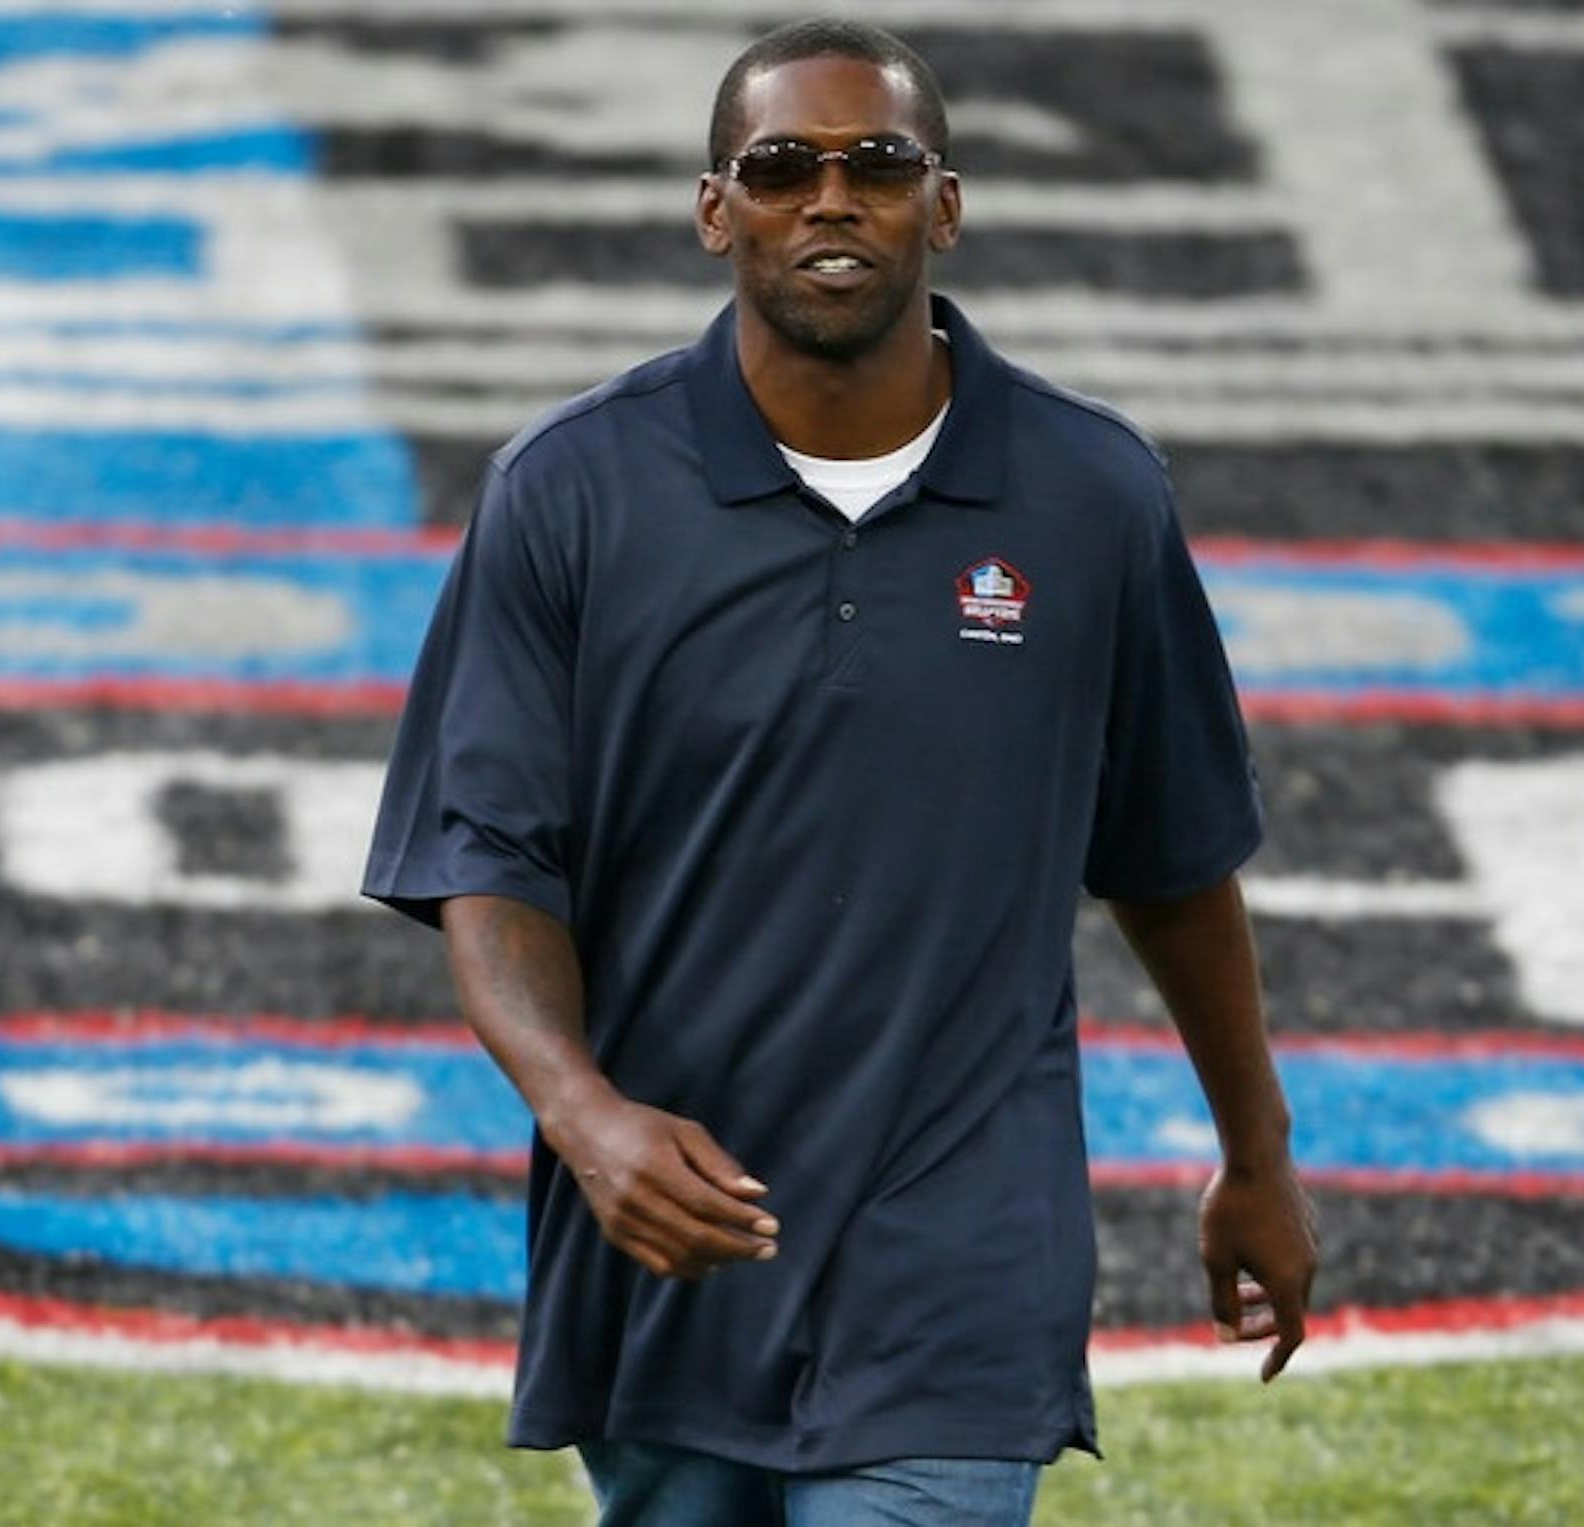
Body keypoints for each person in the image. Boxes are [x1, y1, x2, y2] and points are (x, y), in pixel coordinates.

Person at [364, 17, 1317, 1524]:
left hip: (962, 1264)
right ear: (714, 209)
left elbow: (1175, 860)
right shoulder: (569, 492)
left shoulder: (1091, 496)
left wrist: (1257, 1155)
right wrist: (585, 1115)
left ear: (944, 205)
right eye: (780, 168)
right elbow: (489, 867)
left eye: (877, 164)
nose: (830, 198)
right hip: (679, 1249)